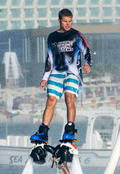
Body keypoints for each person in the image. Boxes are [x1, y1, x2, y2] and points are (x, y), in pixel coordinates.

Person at [30, 8, 92, 143]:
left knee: (69, 98)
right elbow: (49, 58)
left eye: (70, 21)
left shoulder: (76, 35)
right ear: (59, 21)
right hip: (56, 73)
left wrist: (88, 64)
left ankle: (69, 129)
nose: (68, 24)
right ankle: (43, 131)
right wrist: (45, 77)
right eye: (65, 21)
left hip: (73, 73)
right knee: (51, 100)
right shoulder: (52, 37)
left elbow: (86, 51)